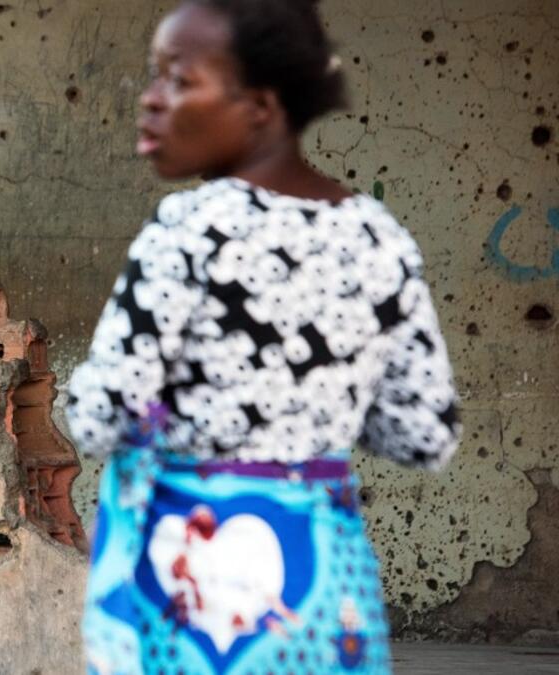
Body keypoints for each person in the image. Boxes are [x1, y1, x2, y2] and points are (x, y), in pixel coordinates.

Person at [64, 1, 462, 673]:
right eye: (154, 77)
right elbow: (425, 433)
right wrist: (313, 400)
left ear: (261, 105)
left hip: (190, 574)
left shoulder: (191, 230)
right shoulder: (377, 236)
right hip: (321, 583)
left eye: (179, 80)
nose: (150, 100)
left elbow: (101, 415)